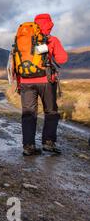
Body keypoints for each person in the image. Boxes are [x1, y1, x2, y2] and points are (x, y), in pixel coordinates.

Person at [19, 14, 68, 156]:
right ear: (50, 24)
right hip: (46, 80)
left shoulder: (23, 40)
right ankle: (48, 143)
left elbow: (17, 62)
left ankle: (28, 146)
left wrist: (19, 83)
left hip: (25, 82)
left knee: (28, 113)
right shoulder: (51, 39)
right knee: (51, 111)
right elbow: (63, 58)